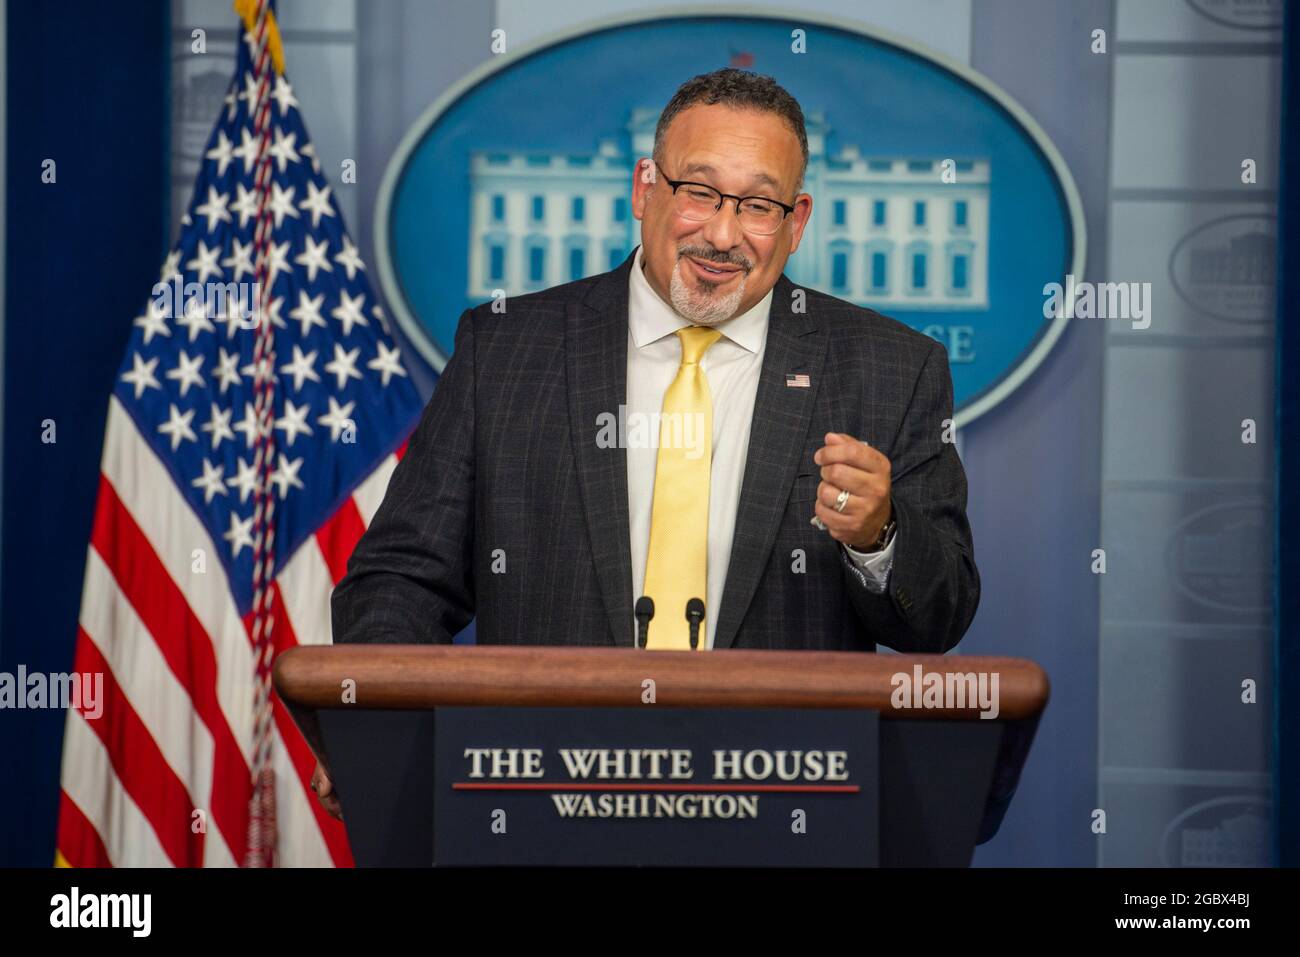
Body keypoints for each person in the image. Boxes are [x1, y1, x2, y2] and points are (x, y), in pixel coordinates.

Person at [312, 68, 979, 818]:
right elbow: (400, 578)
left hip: (784, 812)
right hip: (540, 805)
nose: (723, 234)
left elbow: (941, 614)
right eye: (699, 191)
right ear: (643, 189)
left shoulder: (892, 367)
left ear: (796, 222)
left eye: (759, 205)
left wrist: (879, 536)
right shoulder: (504, 350)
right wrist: (379, 726)